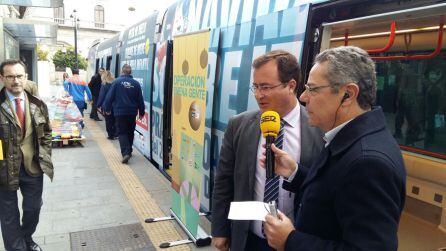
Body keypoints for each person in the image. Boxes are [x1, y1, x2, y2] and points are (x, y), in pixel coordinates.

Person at [263, 46, 406, 251]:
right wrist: (294, 172)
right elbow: (335, 192)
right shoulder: (353, 137)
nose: (303, 97)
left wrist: (291, 240)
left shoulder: (369, 162)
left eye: (312, 89)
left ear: (347, 95)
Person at [211, 50, 324, 251]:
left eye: (266, 87)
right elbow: (224, 180)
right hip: (248, 239)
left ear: (291, 86)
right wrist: (220, 229)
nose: (258, 95)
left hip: (295, 241)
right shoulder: (239, 124)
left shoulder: (319, 128)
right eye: (255, 87)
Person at [0, 59, 54, 251]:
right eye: (10, 76)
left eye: (19, 76)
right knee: (9, 214)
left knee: (33, 208)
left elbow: (47, 132)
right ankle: (17, 248)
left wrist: (44, 154)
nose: (15, 81)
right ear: (2, 78)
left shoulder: (37, 104)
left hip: (33, 167)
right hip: (5, 169)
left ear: (26, 78)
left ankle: (26, 238)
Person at [103, 64, 144, 164]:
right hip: (132, 112)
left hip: (119, 112)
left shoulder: (116, 82)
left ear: (122, 71)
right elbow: (140, 100)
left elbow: (109, 97)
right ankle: (129, 150)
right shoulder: (136, 84)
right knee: (130, 131)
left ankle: (126, 152)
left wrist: (106, 108)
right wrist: (141, 112)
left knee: (122, 132)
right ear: (130, 72)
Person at [97, 70, 117, 140]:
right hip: (115, 106)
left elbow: (101, 96)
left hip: (107, 106)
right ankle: (115, 134)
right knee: (115, 120)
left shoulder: (104, 84)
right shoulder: (115, 83)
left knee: (108, 121)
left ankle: (111, 135)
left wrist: (98, 105)